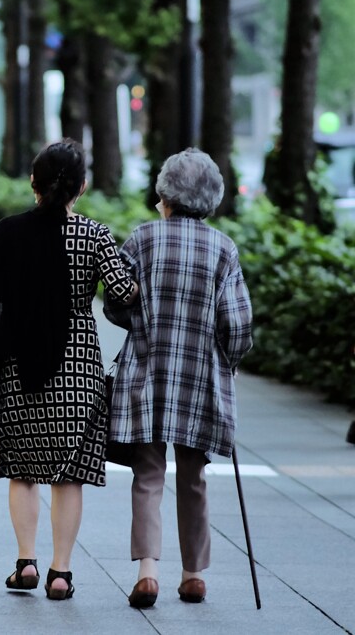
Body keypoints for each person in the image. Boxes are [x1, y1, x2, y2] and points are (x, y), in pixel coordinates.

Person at [0, 139, 138, 600]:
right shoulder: (94, 235)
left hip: (19, 363)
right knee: (69, 474)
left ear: (33, 183)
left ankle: (25, 563)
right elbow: (123, 293)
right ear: (81, 186)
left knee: (22, 469)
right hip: (77, 365)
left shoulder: (7, 232)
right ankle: (61, 572)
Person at [105, 148, 253, 609]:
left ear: (165, 194)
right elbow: (238, 325)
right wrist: (229, 359)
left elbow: (115, 303)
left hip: (146, 373)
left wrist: (140, 323)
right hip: (199, 377)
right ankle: (192, 575)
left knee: (147, 473)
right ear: (210, 199)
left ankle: (148, 571)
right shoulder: (223, 249)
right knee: (194, 476)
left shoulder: (141, 239)